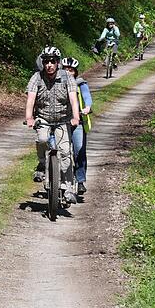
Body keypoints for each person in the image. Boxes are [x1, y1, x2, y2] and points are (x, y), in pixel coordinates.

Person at [25, 46, 80, 204]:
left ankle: (68, 188)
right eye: (46, 61)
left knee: (66, 153)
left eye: (52, 61)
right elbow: (31, 99)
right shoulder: (37, 77)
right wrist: (29, 117)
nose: (49, 64)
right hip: (43, 118)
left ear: (58, 63)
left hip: (63, 120)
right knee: (42, 140)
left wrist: (76, 117)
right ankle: (42, 163)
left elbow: (73, 99)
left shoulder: (67, 77)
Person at [61, 57, 92, 195]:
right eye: (65, 69)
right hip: (61, 121)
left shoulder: (80, 84)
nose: (68, 72)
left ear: (75, 72)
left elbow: (87, 97)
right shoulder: (56, 83)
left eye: (71, 70)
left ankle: (80, 181)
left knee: (79, 150)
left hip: (77, 122)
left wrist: (87, 107)